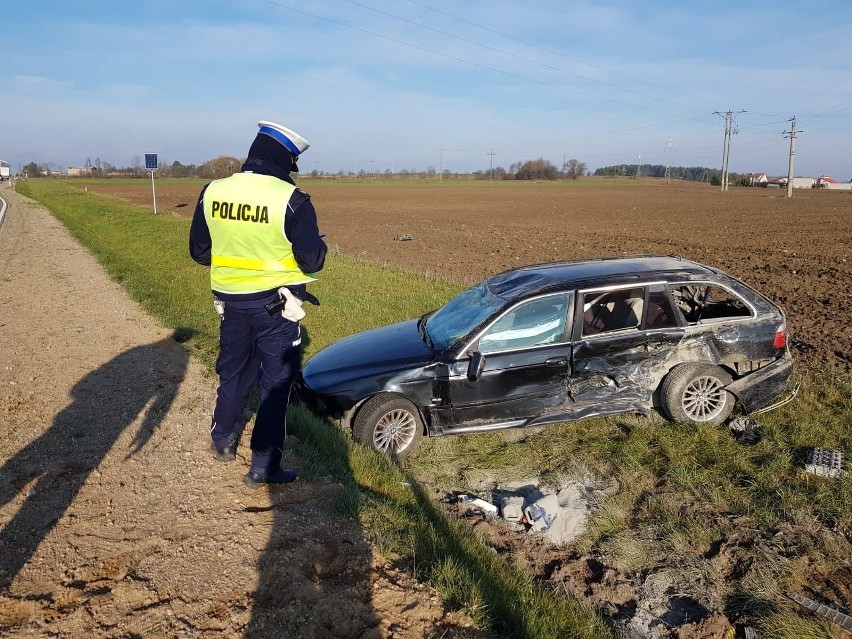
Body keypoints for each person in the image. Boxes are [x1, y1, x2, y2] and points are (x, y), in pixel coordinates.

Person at [189, 120, 327, 489]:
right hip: (276, 309)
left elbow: (200, 253)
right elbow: (313, 261)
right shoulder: (292, 199)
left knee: (232, 375)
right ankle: (263, 467)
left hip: (230, 305)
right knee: (275, 386)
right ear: (285, 161)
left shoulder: (213, 191)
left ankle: (222, 442)